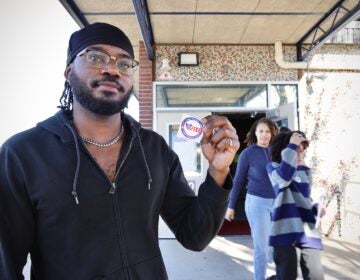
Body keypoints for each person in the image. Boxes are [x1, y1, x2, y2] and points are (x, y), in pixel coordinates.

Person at [0, 22, 240, 280]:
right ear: (69, 71)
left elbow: (195, 236)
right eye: (96, 57)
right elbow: (5, 265)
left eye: (125, 63)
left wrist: (218, 170)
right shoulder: (23, 155)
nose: (112, 69)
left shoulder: (154, 149)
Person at [266, 131, 326, 280]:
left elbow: (305, 198)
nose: (301, 154)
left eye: (302, 150)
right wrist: (292, 146)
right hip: (284, 225)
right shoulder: (273, 168)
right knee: (287, 275)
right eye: (296, 150)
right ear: (285, 150)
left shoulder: (305, 171)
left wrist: (316, 207)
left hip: (307, 225)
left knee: (315, 275)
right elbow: (284, 179)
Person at [225, 118, 279, 280]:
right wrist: (231, 206)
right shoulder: (248, 153)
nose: (264, 135)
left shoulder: (278, 152)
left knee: (278, 243)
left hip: (278, 202)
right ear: (255, 133)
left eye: (267, 131)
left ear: (272, 133)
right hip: (257, 202)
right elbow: (239, 180)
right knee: (261, 247)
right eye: (260, 131)